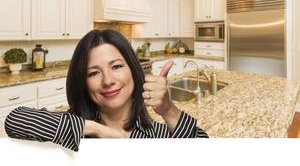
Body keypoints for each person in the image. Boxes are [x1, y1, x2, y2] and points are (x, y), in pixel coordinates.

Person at [4, 29, 208, 152]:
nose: (108, 81)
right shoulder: (72, 132)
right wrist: (98, 129)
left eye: (117, 66)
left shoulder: (158, 134)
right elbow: (14, 120)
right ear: (83, 82)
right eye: (93, 73)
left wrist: (168, 109)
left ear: (133, 70)